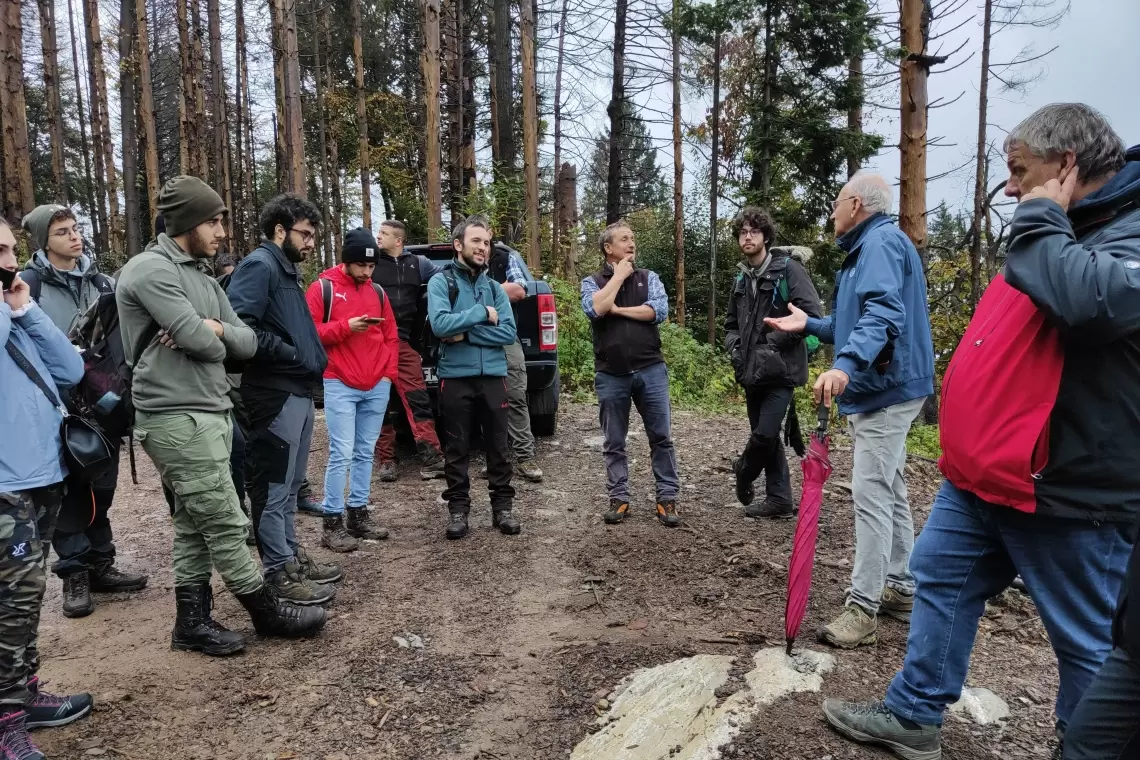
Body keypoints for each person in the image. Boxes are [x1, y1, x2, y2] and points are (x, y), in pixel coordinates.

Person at [819, 105, 1140, 760]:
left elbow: (1090, 302)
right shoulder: (1069, 221)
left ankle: (1085, 745)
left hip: (1067, 487)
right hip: (986, 474)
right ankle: (914, 713)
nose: (1013, 188)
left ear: (1066, 164)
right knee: (940, 577)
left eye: (1020, 171)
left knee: (1086, 637)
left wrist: (1041, 216)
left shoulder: (1124, 229)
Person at [117, 176, 326, 656]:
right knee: (227, 521)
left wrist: (213, 332)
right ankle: (265, 610)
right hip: (174, 415)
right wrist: (212, 334)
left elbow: (243, 344)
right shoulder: (149, 270)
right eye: (212, 221)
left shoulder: (205, 278)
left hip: (211, 410)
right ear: (187, 221)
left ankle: (191, 622)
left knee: (193, 525)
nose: (222, 232)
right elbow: (205, 341)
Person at [766, 172, 934, 649]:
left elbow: (884, 315)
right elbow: (853, 322)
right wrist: (810, 324)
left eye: (837, 203)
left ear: (856, 204)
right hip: (889, 384)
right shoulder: (867, 250)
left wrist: (845, 365)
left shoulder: (879, 244)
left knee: (871, 491)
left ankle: (863, 607)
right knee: (889, 485)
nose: (833, 212)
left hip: (886, 387)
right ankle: (900, 585)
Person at [20, 204, 147, 619]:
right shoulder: (28, 286)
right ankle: (74, 571)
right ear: (43, 241)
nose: (74, 237)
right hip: (55, 408)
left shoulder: (101, 282)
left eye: (75, 229)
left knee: (102, 484)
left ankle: (101, 563)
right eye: (62, 232)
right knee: (68, 490)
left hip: (105, 403)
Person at [0, 216, 94, 758]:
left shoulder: (13, 310)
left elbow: (68, 369)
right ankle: (5, 718)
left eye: (12, 249)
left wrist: (26, 309)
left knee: (28, 593)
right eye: (0, 251)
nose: (11, 261)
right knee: (10, 601)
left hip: (41, 475)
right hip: (5, 484)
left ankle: (24, 693)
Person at [227, 193, 338, 605]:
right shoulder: (260, 265)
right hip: (272, 392)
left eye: (312, 235)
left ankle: (291, 559)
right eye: (304, 234)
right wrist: (291, 354)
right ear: (279, 230)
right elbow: (241, 328)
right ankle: (277, 571)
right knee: (272, 486)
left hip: (298, 390)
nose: (310, 242)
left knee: (291, 485)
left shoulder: (286, 271)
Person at [580, 221, 680, 528]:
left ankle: (667, 498)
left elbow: (657, 311)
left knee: (661, 437)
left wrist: (619, 310)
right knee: (614, 440)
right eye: (624, 239)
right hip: (611, 374)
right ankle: (619, 498)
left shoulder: (649, 277)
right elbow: (595, 308)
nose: (631, 243)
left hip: (651, 369)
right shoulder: (592, 281)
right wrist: (619, 277)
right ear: (608, 248)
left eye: (633, 238)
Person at [724, 206, 822, 519]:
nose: (747, 237)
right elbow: (731, 325)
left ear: (766, 236)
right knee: (766, 436)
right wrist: (736, 349)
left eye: (754, 231)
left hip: (782, 370)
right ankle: (779, 499)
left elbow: (812, 317)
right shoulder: (741, 278)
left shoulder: (789, 270)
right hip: (749, 370)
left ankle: (744, 470)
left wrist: (772, 344)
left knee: (764, 434)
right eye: (743, 232)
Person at [427, 215, 521, 540]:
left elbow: (508, 333)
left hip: (494, 376)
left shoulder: (494, 288)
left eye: (487, 243)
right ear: (458, 245)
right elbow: (440, 325)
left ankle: (503, 509)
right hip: (455, 377)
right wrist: (481, 314)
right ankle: (458, 512)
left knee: (499, 446)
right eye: (476, 241)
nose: (483, 248)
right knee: (456, 447)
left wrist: (465, 333)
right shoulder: (441, 283)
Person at [305, 228, 397, 552]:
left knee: (364, 451)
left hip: (376, 384)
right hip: (339, 381)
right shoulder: (323, 288)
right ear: (346, 261)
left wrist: (388, 376)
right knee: (341, 452)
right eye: (361, 265)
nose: (367, 272)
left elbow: (391, 336)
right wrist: (346, 327)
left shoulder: (378, 293)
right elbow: (309, 333)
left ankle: (358, 514)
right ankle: (332, 522)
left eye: (372, 266)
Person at [370, 219, 446, 482]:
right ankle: (387, 461)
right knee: (379, 402)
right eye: (379, 232)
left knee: (418, 400)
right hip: (373, 344)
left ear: (398, 240)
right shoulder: (370, 263)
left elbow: (446, 277)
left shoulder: (418, 264)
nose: (378, 236)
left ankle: (432, 459)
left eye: (384, 233)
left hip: (403, 343)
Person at [483, 242, 544, 483]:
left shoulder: (505, 258)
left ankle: (525, 457)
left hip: (505, 336)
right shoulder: (456, 265)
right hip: (469, 338)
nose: (480, 245)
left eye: (484, 238)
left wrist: (479, 292)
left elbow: (519, 290)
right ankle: (495, 460)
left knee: (516, 396)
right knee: (483, 402)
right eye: (474, 238)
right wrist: (500, 290)